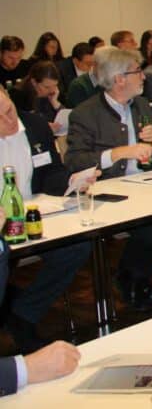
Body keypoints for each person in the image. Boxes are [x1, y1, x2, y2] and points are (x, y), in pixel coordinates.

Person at [65, 46, 152, 311]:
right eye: (137, 71)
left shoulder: (141, 105)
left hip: (148, 185)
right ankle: (133, 278)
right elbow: (74, 161)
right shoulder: (85, 113)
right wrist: (116, 154)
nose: (143, 76)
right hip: (109, 192)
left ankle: (131, 276)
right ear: (119, 79)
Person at [0, 89, 97, 353]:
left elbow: (49, 172)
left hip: (36, 213)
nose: (7, 121)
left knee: (76, 247)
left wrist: (70, 180)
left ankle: (24, 312)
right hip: (2, 223)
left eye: (8, 111)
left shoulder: (34, 125)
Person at [11, 61, 64, 133]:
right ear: (34, 82)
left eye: (55, 85)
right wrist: (42, 127)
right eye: (47, 87)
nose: (52, 90)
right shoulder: (19, 95)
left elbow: (68, 118)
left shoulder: (54, 92)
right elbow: (20, 125)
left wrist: (55, 102)